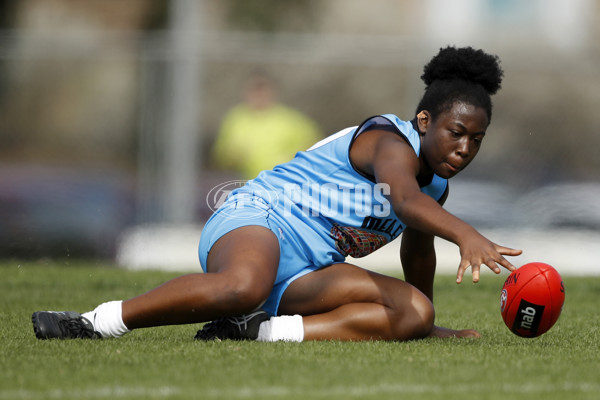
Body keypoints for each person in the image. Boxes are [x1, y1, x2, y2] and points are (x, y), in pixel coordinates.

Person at [32, 46, 522, 342]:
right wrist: (467, 235)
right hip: (258, 220)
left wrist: (427, 322)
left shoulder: (436, 185)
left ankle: (258, 331)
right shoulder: (389, 142)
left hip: (307, 273)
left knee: (413, 311)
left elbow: (418, 247)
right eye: (456, 132)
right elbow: (404, 203)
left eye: (476, 140)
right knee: (242, 286)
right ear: (424, 122)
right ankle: (97, 322)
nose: (464, 148)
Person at [211, 71, 322, 180]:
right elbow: (221, 156)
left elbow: (314, 148)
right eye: (254, 91)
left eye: (263, 91)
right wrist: (232, 157)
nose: (259, 95)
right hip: (248, 183)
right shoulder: (236, 119)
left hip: (285, 183)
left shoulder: (292, 121)